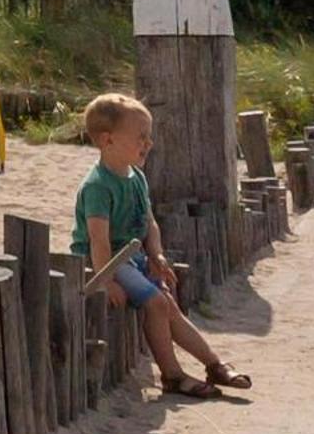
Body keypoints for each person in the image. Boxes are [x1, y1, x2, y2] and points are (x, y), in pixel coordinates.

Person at [71, 92, 251, 400]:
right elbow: (97, 240)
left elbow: (149, 223)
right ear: (107, 140)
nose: (149, 143)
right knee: (156, 304)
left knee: (170, 306)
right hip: (108, 261)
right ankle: (172, 375)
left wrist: (156, 254)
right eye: (141, 137)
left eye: (149, 136)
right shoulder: (98, 186)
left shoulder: (137, 176)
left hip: (134, 256)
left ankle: (214, 364)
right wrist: (107, 279)